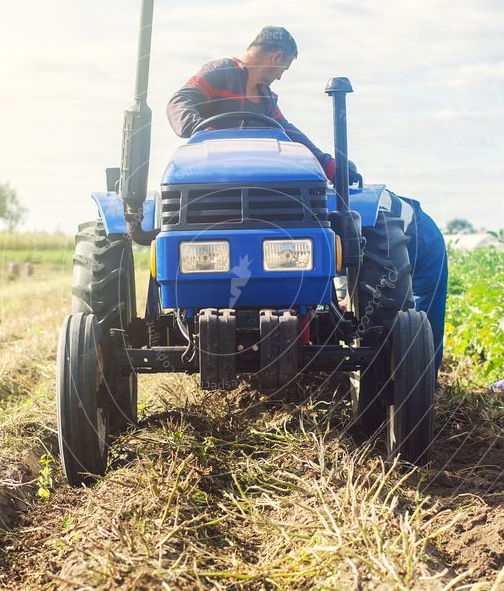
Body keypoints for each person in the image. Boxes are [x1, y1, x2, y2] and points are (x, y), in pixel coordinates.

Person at [166, 27, 448, 376]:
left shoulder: (266, 99)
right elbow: (178, 103)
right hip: (214, 195)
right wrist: (203, 130)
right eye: (283, 69)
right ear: (277, 56)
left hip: (268, 200)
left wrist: (330, 164)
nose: (281, 76)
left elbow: (291, 135)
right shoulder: (219, 72)